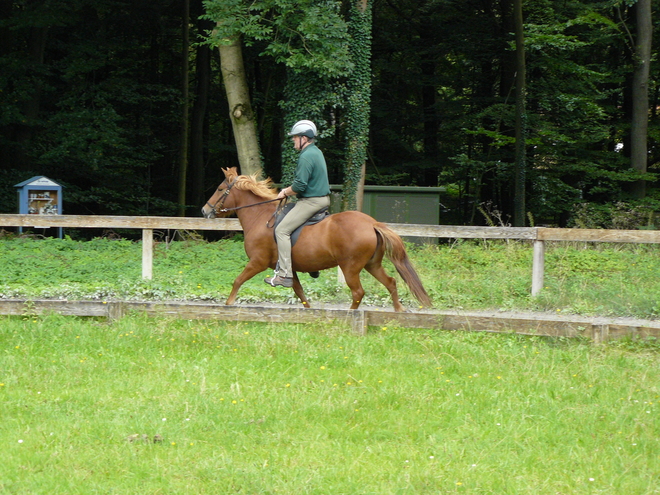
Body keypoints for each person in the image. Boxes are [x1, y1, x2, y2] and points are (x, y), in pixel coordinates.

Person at [264, 120, 331, 288]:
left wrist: (285, 192)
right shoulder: (316, 152)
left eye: (295, 137)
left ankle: (285, 275)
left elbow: (300, 185)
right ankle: (311, 265)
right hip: (317, 198)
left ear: (304, 138)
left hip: (311, 201)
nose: (293, 140)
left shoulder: (307, 156)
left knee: (282, 230)